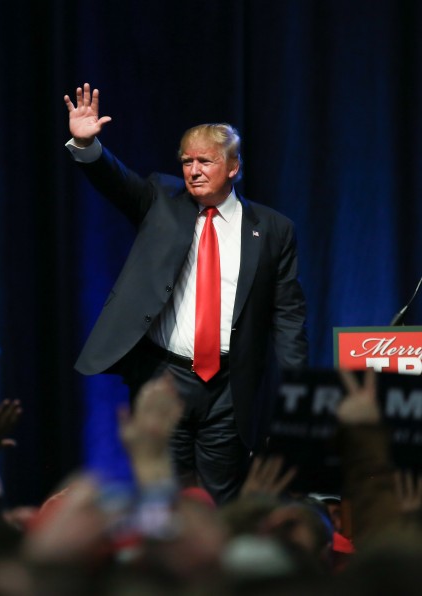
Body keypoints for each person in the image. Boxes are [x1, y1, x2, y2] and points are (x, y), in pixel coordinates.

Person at [63, 82, 308, 504]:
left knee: (221, 499)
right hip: (165, 376)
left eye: (205, 162)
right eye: (187, 161)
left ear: (233, 167)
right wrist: (88, 146)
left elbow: (287, 313)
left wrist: (297, 389)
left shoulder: (272, 229)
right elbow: (117, 182)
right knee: (161, 496)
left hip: (232, 387)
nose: (193, 170)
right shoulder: (161, 199)